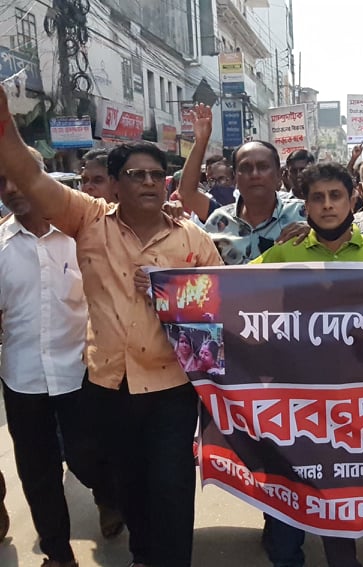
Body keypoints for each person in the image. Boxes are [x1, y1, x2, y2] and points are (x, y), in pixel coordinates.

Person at [0, 83, 224, 567]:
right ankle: (143, 555)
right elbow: (31, 177)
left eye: (156, 175)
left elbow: (219, 314)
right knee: (127, 485)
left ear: (166, 184)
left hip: (171, 388)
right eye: (136, 174)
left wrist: (172, 292)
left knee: (171, 489)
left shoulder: (193, 239)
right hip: (107, 385)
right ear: (116, 185)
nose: (148, 182)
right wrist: (5, 126)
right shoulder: (88, 221)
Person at [252, 162, 363, 567]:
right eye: (317, 198)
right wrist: (168, 284)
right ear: (305, 206)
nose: (327, 205)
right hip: (309, 395)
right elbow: (231, 289)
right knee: (329, 480)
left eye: (335, 196)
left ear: (352, 199)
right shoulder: (284, 253)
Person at [0, 147, 123, 567]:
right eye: (2, 181)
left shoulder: (84, 235)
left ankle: (108, 497)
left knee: (88, 457)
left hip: (81, 372)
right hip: (22, 378)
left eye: (19, 176)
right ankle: (58, 553)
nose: (12, 188)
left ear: (41, 177)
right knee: (38, 472)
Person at [177, 104, 308, 261]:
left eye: (263, 167)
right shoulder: (218, 220)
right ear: (234, 178)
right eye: (245, 168)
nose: (254, 174)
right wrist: (201, 141)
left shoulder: (303, 214)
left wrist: (316, 232)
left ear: (279, 175)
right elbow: (187, 192)